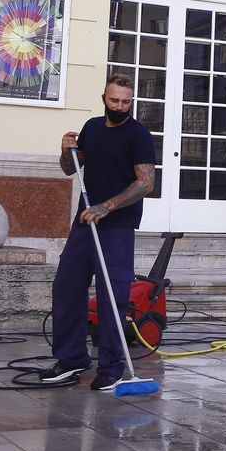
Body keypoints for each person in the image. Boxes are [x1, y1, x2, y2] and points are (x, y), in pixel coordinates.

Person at [40, 73, 157, 390]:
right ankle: (72, 359)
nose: (120, 106)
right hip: (84, 223)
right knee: (66, 287)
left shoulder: (138, 135)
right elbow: (70, 169)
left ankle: (112, 366)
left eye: (126, 101)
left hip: (116, 227)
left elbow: (146, 183)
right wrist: (66, 151)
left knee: (112, 296)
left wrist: (108, 206)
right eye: (114, 100)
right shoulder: (92, 128)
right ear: (103, 98)